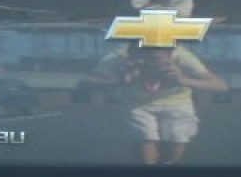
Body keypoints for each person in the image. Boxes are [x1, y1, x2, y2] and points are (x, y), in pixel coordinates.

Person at [84, 45, 227, 165]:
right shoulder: (118, 57)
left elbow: (220, 86)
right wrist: (118, 81)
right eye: (142, 59)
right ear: (130, 54)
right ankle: (149, 176)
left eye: (155, 59)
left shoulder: (182, 56)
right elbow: (85, 84)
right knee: (145, 138)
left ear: (170, 55)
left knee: (177, 138)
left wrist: (183, 80)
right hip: (137, 103)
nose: (148, 64)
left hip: (177, 101)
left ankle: (169, 172)